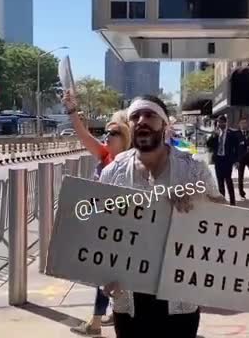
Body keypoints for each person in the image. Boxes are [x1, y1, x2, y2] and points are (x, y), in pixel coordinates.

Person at [98, 95, 225, 338]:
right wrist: (103, 275)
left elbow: (222, 211)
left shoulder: (192, 170)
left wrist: (196, 201)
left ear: (164, 124)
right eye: (135, 116)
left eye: (150, 115)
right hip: (129, 299)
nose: (142, 121)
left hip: (179, 297)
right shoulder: (112, 174)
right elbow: (100, 228)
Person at [62, 91, 132, 337]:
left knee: (107, 275)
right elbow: (84, 136)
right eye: (107, 132)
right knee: (108, 275)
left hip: (120, 230)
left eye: (114, 133)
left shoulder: (134, 165)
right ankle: (103, 318)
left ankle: (95, 323)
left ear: (127, 137)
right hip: (103, 226)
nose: (108, 137)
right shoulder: (105, 156)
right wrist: (72, 111)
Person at [206, 115, 239, 205]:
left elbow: (237, 147)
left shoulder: (231, 133)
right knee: (220, 181)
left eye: (221, 122)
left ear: (225, 122)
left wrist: (236, 160)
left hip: (227, 160)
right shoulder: (216, 133)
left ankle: (232, 201)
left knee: (228, 180)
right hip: (218, 160)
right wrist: (213, 135)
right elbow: (209, 145)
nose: (220, 124)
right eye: (218, 122)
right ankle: (223, 200)